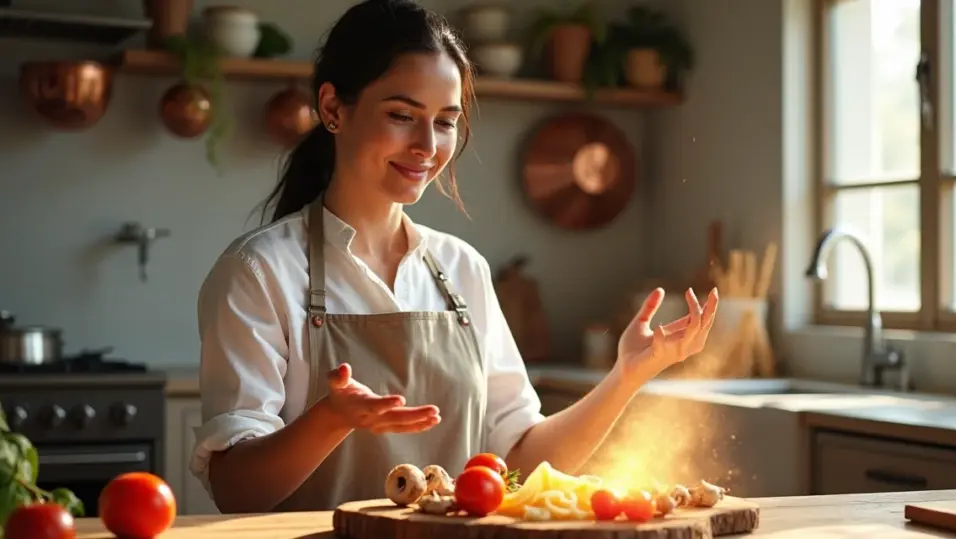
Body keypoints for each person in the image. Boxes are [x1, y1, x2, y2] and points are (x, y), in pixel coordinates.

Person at [190, 0, 720, 515]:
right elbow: (237, 491)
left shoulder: (462, 269)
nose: (427, 145)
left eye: (445, 121)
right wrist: (331, 418)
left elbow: (521, 462)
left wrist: (626, 376)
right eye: (402, 115)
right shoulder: (260, 272)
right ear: (332, 108)